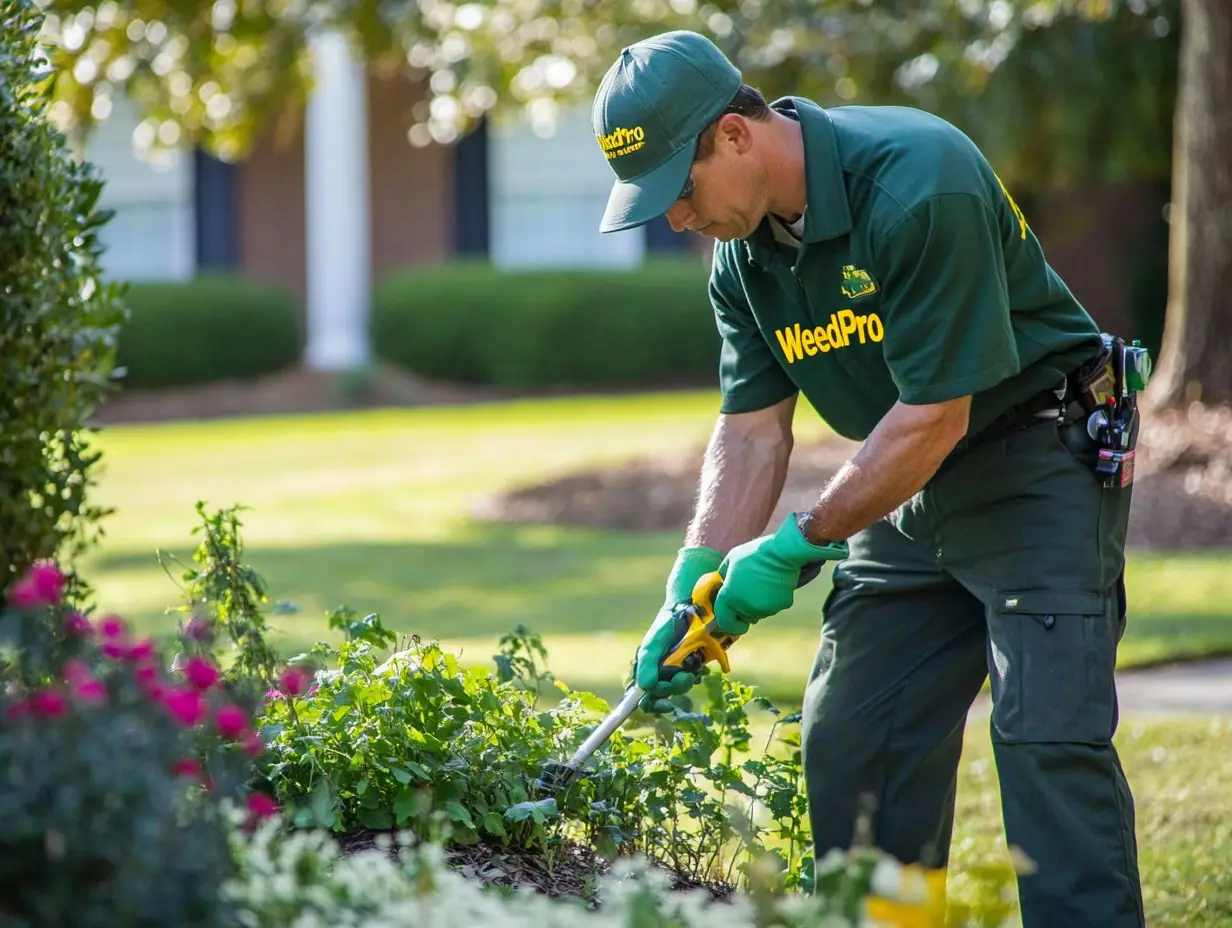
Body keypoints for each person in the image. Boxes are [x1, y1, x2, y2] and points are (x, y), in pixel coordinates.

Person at [591, 28, 1146, 928]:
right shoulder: (742, 259)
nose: (676, 222)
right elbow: (752, 432)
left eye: (678, 191)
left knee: (1047, 744)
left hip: (1036, 463)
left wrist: (796, 544)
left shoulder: (919, 180)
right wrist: (694, 573)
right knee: (855, 739)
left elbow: (936, 414)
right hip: (905, 490)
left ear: (734, 135)